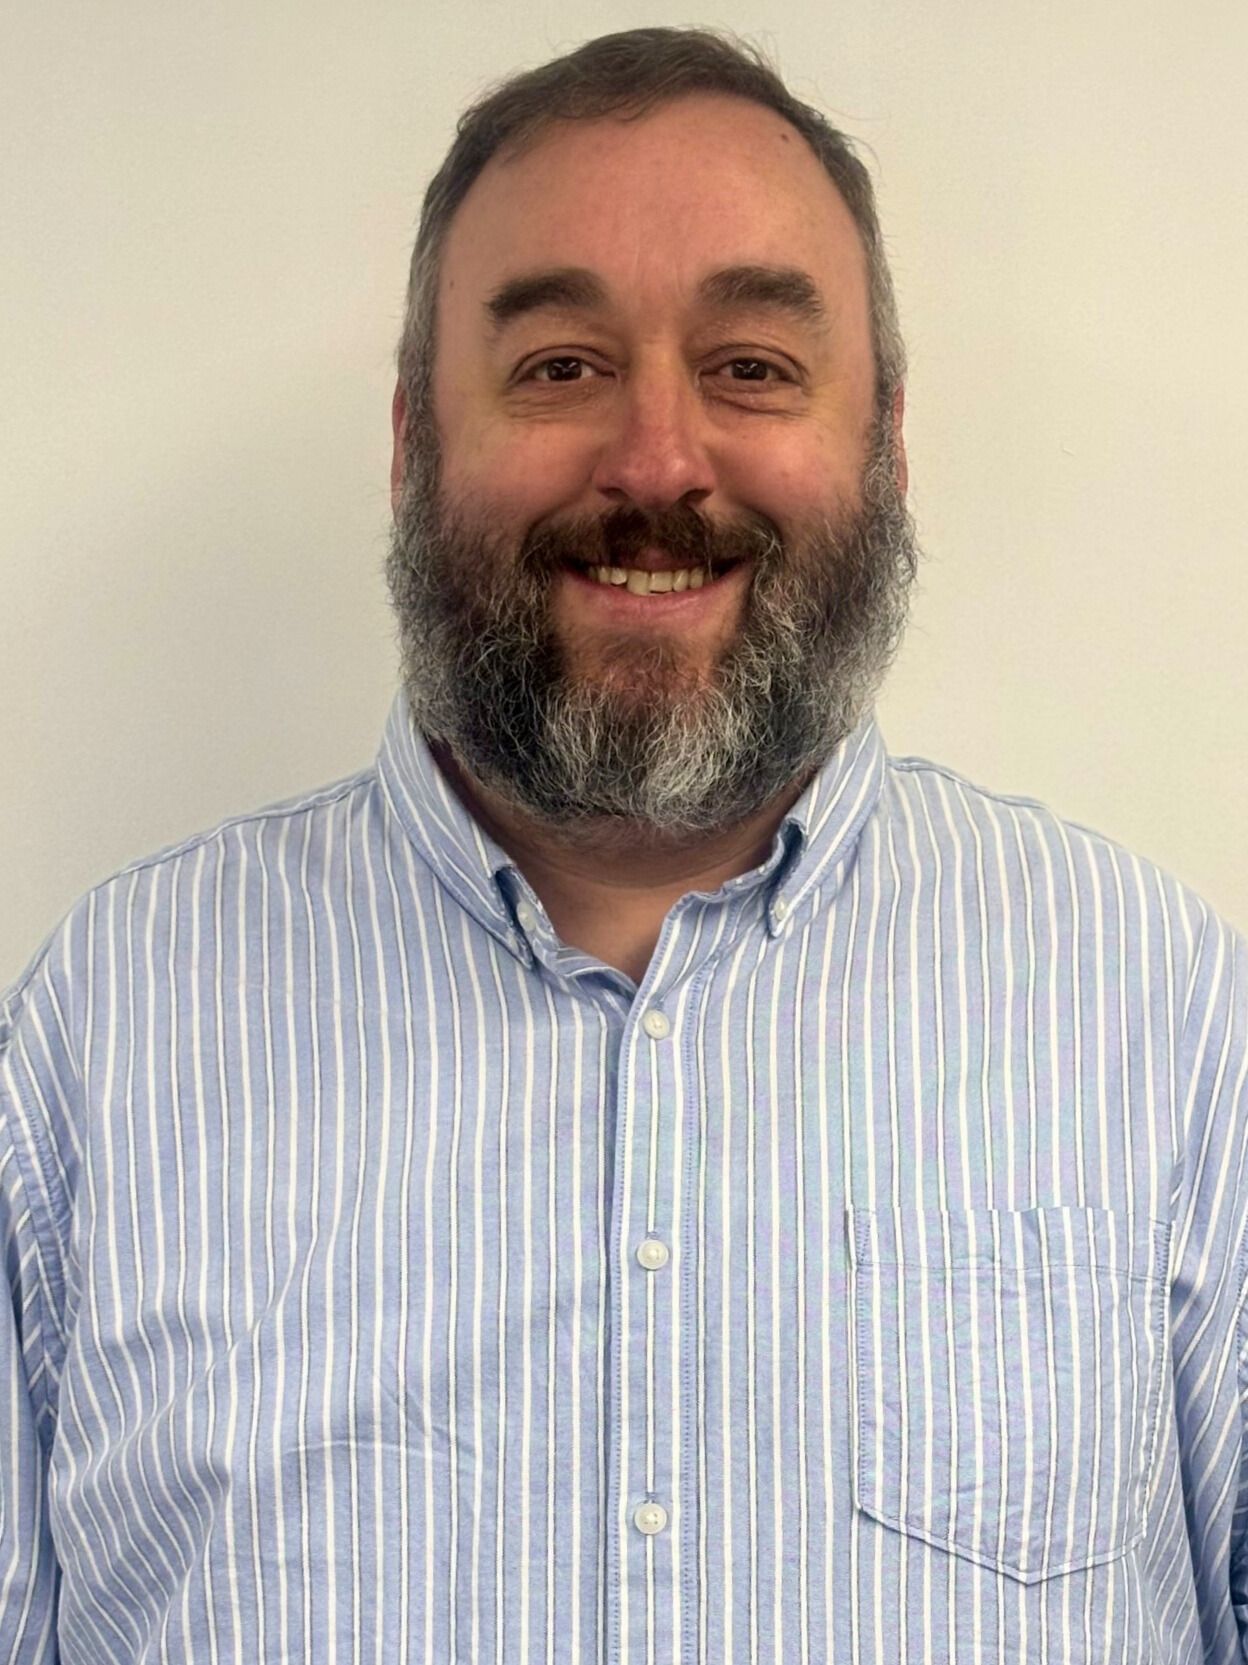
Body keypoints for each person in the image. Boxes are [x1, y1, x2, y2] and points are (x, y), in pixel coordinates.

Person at [2, 23, 1245, 1663]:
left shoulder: (1161, 1020)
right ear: (411, 446)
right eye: (560, 366)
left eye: (752, 366)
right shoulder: (105, 1036)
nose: (657, 460)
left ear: (885, 445)